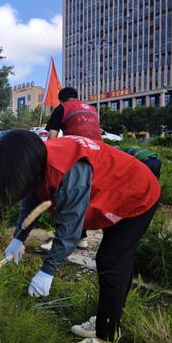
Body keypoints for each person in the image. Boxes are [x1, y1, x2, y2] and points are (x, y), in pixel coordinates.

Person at [0, 131, 160, 343]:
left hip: (136, 193)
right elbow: (32, 202)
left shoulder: (67, 173)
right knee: (114, 262)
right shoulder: (38, 159)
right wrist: (19, 237)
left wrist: (47, 271)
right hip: (115, 190)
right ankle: (106, 319)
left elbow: (69, 232)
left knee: (112, 261)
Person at [46, 87, 101, 247]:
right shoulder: (92, 109)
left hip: (77, 154)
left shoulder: (62, 108)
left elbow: (52, 138)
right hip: (98, 154)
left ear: (62, 100)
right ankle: (82, 237)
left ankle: (62, 238)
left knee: (66, 193)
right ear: (77, 97)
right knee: (85, 195)